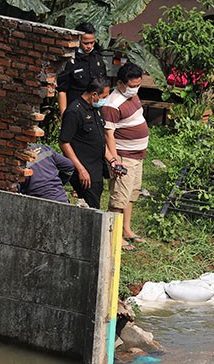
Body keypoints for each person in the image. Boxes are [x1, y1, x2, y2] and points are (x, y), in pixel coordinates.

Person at [102, 63, 149, 250]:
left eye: (138, 85)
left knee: (131, 194)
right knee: (118, 198)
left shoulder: (134, 95)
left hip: (138, 155)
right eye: (131, 86)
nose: (135, 89)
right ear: (120, 83)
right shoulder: (112, 105)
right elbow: (108, 134)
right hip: (123, 156)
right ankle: (114, 236)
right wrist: (114, 161)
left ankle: (126, 229)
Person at [59, 77, 119, 210]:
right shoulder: (74, 111)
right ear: (94, 95)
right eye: (104, 96)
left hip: (96, 170)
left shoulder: (96, 109)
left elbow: (99, 141)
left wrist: (112, 161)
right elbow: (64, 143)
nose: (105, 100)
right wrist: (80, 169)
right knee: (90, 212)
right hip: (84, 171)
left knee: (95, 205)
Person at [57, 23, 108, 116]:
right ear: (78, 40)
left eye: (92, 42)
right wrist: (64, 116)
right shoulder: (70, 60)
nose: (89, 46)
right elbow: (62, 90)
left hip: (95, 109)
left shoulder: (97, 58)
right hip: (76, 110)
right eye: (86, 43)